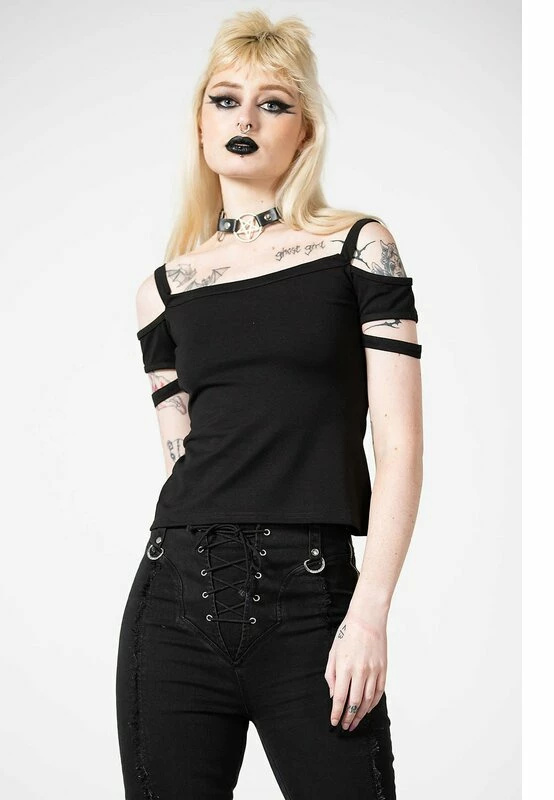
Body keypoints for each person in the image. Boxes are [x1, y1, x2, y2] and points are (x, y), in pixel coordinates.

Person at [116, 10, 423, 800]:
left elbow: (399, 447)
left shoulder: (359, 248)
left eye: (273, 103)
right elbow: (181, 458)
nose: (245, 119)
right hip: (173, 599)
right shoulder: (163, 292)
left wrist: (369, 613)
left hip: (311, 599)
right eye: (225, 100)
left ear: (304, 130)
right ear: (200, 124)